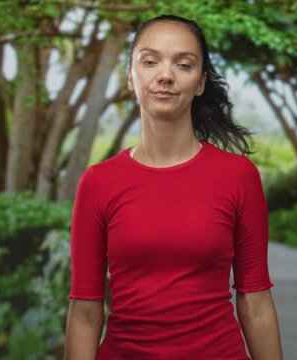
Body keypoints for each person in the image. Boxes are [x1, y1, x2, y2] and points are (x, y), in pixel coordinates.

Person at [64, 14, 284, 360]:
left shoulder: (239, 176)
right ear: (130, 78)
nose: (165, 75)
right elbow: (85, 313)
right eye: (150, 62)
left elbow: (255, 303)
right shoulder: (97, 183)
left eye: (183, 64)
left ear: (200, 83)